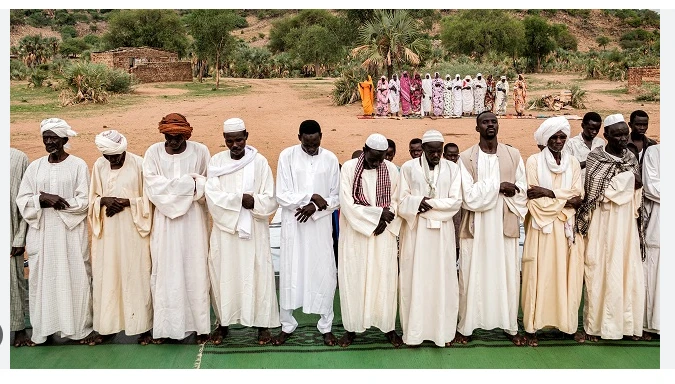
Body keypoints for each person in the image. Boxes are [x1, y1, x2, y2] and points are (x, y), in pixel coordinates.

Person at [16, 118, 96, 346]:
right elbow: (22, 199)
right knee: (43, 279)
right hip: (41, 234)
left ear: (64, 139)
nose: (49, 142)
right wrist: (41, 198)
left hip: (69, 233)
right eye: (45, 138)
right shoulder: (35, 167)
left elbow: (84, 201)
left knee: (75, 276)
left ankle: (79, 329)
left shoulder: (78, 165)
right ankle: (44, 330)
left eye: (53, 138)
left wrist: (59, 202)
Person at [455, 111, 528, 346]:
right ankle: (467, 326)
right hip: (477, 227)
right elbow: (468, 197)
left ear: (498, 126)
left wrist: (508, 190)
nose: (490, 125)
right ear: (477, 128)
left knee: (506, 273)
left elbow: (522, 190)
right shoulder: (466, 158)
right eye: (485, 122)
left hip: (503, 225)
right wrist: (498, 186)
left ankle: (509, 325)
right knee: (472, 273)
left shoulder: (513, 155)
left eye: (493, 122)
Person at [206, 118, 280, 345]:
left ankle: (262, 325)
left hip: (254, 232)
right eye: (230, 141)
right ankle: (224, 323)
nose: (235, 145)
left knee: (257, 275)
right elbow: (212, 196)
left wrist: (254, 202)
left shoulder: (259, 162)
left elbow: (270, 198)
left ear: (247, 136)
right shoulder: (216, 162)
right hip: (226, 232)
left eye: (239, 139)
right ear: (224, 140)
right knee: (224, 276)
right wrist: (240, 199)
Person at [574, 113, 644, 342]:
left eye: (625, 133)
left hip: (625, 224)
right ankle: (596, 327)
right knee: (599, 270)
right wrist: (626, 182)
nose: (624, 138)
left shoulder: (631, 158)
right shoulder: (596, 158)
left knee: (626, 269)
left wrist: (624, 183)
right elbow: (599, 191)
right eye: (618, 135)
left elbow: (638, 187)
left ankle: (627, 325)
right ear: (606, 136)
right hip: (603, 222)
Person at [142, 113, 211, 344]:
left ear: (186, 135)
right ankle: (165, 328)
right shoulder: (152, 153)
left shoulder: (200, 151)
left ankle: (200, 327)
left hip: (193, 223)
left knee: (195, 270)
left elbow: (207, 184)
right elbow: (153, 187)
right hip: (164, 224)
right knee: (165, 272)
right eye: (169, 137)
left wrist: (187, 186)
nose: (173, 142)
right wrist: (188, 184)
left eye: (178, 138)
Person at [273, 119, 341, 346]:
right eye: (307, 143)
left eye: (315, 143)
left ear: (321, 136)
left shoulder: (330, 159)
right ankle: (287, 325)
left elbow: (336, 197)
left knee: (324, 273)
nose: (311, 148)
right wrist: (309, 198)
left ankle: (326, 326)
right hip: (294, 225)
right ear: (299, 137)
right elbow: (281, 194)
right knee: (292, 272)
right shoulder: (287, 156)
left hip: (320, 227)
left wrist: (316, 208)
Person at [521, 117, 584, 347]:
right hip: (542, 229)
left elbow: (578, 198)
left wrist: (549, 193)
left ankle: (566, 326)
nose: (558, 141)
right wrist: (563, 200)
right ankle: (533, 327)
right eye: (554, 137)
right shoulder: (534, 162)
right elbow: (533, 200)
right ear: (546, 139)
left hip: (565, 229)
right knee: (538, 275)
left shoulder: (574, 163)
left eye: (562, 137)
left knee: (567, 276)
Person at [337, 134, 403, 348]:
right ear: (364, 149)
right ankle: (351, 328)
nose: (376, 163)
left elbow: (396, 199)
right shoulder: (348, 169)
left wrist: (386, 219)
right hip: (356, 235)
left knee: (384, 280)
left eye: (381, 159)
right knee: (354, 280)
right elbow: (346, 204)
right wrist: (376, 217)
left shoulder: (391, 170)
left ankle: (388, 327)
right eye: (373, 158)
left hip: (383, 236)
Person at [398, 130, 463, 347]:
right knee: (415, 279)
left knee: (442, 279)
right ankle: (415, 332)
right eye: (432, 151)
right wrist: (417, 202)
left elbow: (455, 202)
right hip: (417, 234)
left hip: (443, 234)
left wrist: (426, 206)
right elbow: (402, 200)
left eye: (439, 151)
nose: (436, 155)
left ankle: (442, 332)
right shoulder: (408, 168)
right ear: (423, 149)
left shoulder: (453, 168)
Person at [88, 130, 153, 346]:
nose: (113, 160)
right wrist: (104, 200)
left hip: (134, 230)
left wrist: (126, 203)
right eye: (109, 157)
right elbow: (92, 199)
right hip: (108, 232)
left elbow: (150, 199)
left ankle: (144, 327)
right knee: (108, 276)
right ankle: (107, 327)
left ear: (124, 149)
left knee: (137, 273)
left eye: (117, 155)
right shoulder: (99, 165)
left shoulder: (139, 164)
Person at [10, 148, 31, 347]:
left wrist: (19, 237)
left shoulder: (17, 158)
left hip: (10, 232)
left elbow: (25, 200)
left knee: (13, 283)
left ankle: (18, 329)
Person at [641, 144, 660, 340]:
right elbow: (651, 187)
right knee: (656, 272)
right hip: (658, 221)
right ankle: (652, 325)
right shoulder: (654, 152)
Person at [562, 112, 605, 186]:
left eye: (597, 129)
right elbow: (568, 167)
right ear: (582, 126)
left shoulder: (601, 143)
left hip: (596, 186)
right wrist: (590, 161)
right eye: (591, 129)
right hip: (577, 185)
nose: (594, 132)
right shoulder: (571, 144)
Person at [443, 142, 461, 262]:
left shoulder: (462, 171)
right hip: (444, 214)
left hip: (459, 215)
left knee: (457, 248)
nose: (452, 158)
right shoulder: (441, 171)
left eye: (455, 156)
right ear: (444, 155)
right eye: (450, 155)